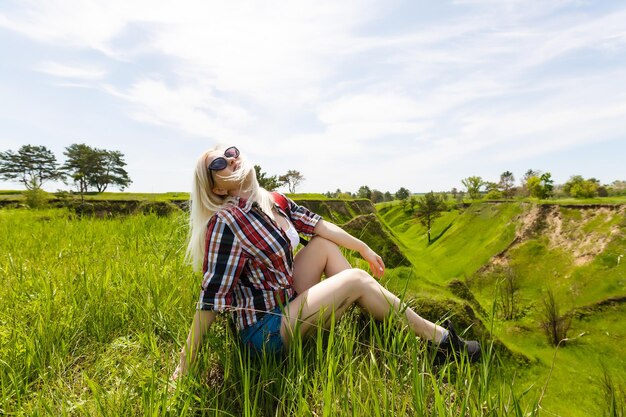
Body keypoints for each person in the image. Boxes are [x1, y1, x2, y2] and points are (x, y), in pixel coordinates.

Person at [172, 145, 480, 379]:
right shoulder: (226, 222)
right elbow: (211, 299)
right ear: (216, 188)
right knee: (356, 279)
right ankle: (441, 341)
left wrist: (363, 248)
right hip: (265, 330)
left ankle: (371, 309)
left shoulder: (272, 200)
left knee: (324, 246)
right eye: (219, 163)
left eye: (231, 152)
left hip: (287, 299)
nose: (231, 159)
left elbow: (317, 225)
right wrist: (183, 369)